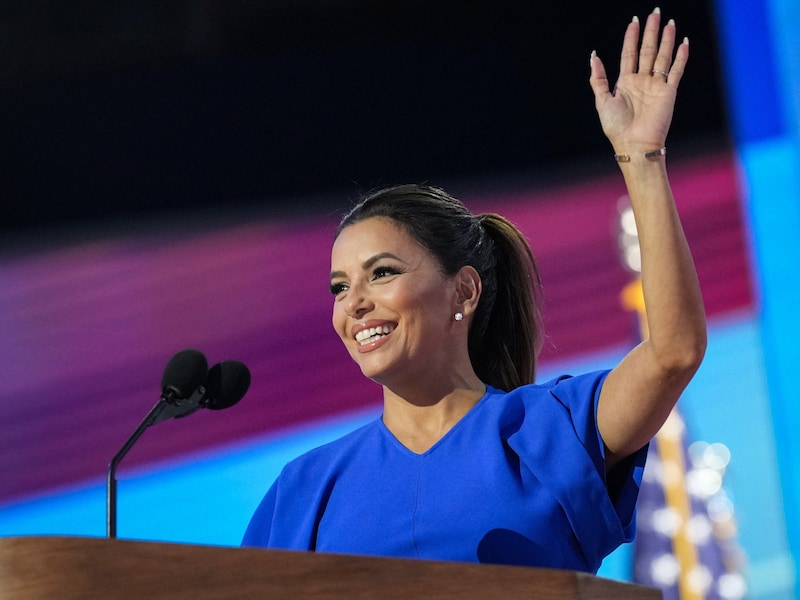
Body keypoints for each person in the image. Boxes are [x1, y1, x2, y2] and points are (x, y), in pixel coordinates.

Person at [242, 8, 706, 574]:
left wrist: (642, 158)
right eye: (340, 287)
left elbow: (673, 351)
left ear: (463, 291)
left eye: (382, 273)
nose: (354, 302)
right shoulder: (304, 491)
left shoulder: (549, 431)